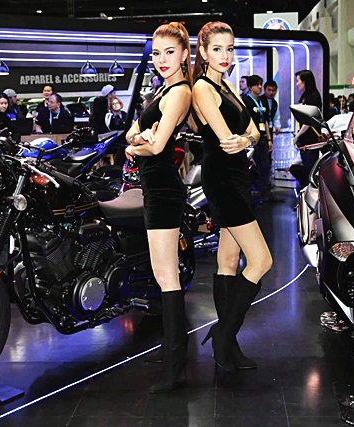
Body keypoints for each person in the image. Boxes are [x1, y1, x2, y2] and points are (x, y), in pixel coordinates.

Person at [191, 21, 272, 373]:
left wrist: (246, 140)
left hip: (237, 177)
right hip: (222, 179)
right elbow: (228, 140)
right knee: (261, 261)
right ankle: (223, 334)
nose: (225, 55)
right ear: (203, 52)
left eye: (230, 48)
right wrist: (244, 139)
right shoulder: (202, 88)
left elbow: (253, 132)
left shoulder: (227, 87)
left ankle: (228, 345)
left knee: (228, 260)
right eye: (217, 49)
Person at [125, 22, 192, 393]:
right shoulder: (161, 91)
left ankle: (175, 367)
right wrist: (139, 138)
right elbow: (131, 133)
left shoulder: (179, 92)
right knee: (162, 275)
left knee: (167, 277)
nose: (162, 59)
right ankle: (174, 358)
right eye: (156, 53)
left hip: (164, 190)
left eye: (169, 52)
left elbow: (155, 145)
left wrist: (139, 143)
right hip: (153, 188)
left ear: (184, 54)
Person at [289, 70, 323, 190]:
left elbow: (308, 121)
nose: (297, 84)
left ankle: (310, 192)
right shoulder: (306, 96)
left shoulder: (313, 97)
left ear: (305, 82)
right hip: (305, 140)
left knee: (309, 168)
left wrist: (298, 135)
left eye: (298, 81)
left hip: (310, 140)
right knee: (306, 167)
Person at [243, 75, 272, 200]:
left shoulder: (263, 101)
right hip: (252, 138)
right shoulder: (246, 101)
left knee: (265, 165)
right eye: (257, 85)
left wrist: (269, 139)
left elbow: (266, 120)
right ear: (250, 87)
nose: (260, 87)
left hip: (263, 137)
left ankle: (265, 192)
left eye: (260, 84)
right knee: (255, 166)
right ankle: (254, 192)